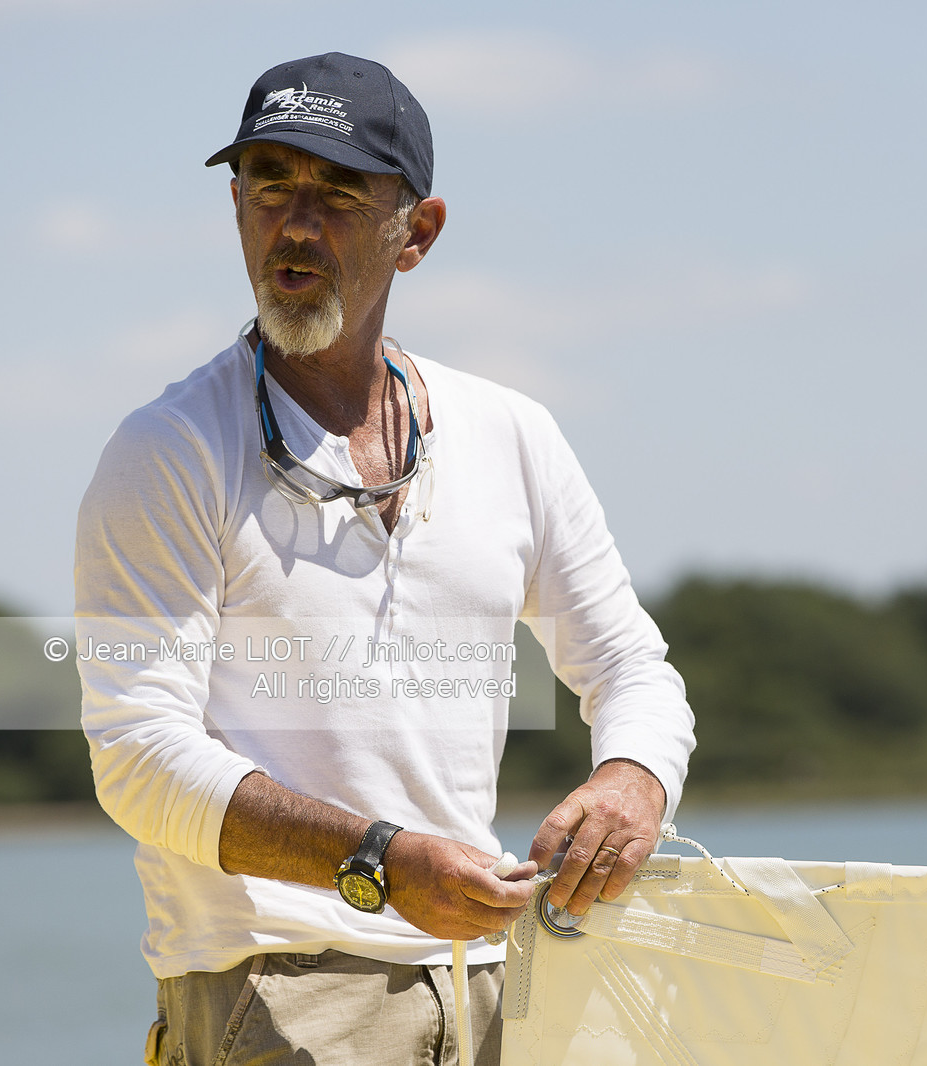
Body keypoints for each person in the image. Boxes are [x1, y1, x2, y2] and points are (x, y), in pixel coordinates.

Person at [74, 52, 695, 1065]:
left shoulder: (511, 431)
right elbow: (138, 759)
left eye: (338, 192)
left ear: (418, 233)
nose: (296, 224)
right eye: (269, 183)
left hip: (496, 986)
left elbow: (632, 667)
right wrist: (375, 861)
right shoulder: (169, 449)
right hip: (274, 991)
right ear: (236, 208)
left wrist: (632, 780)